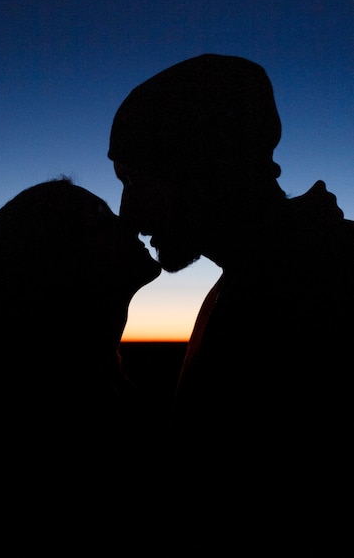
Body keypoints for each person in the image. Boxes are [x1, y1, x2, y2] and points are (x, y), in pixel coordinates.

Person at [108, 54, 354, 551]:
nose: (127, 214)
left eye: (136, 181)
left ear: (202, 165)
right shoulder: (245, 285)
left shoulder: (328, 283)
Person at [0, 177, 162, 556]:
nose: (127, 220)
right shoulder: (66, 440)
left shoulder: (107, 397)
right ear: (57, 257)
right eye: (99, 216)